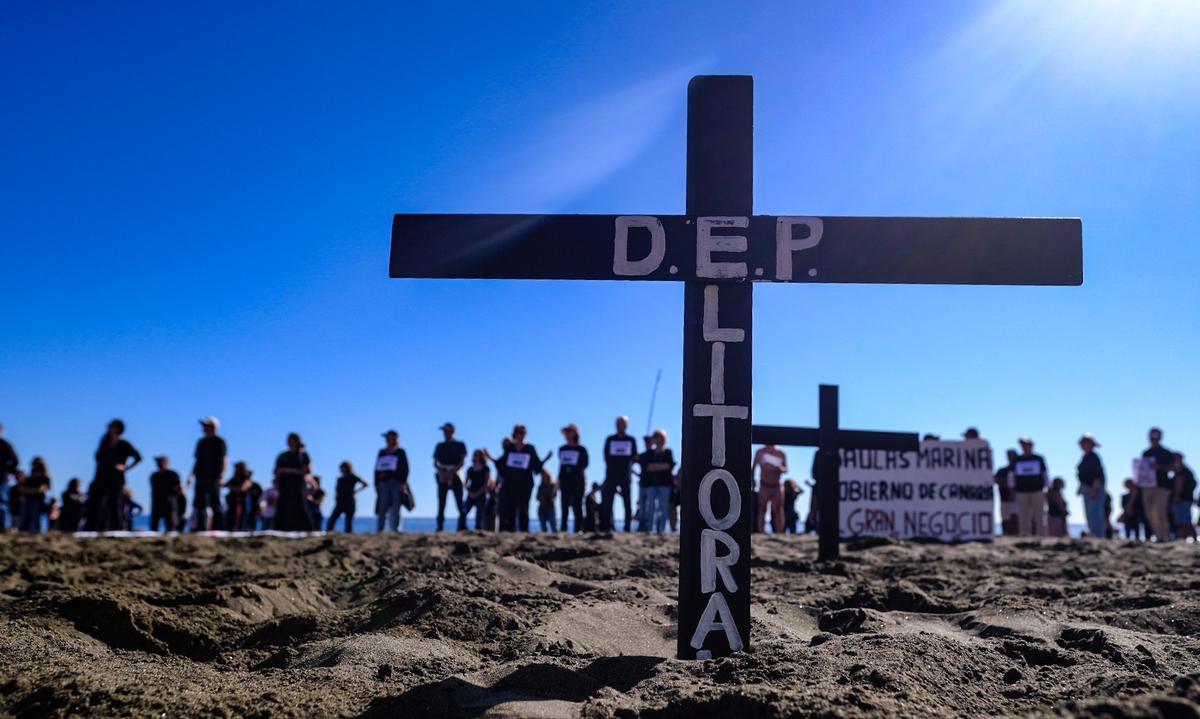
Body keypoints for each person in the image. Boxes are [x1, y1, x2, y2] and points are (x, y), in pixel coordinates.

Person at [485, 425, 543, 532]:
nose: (521, 435)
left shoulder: (530, 448)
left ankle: (524, 531)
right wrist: (490, 457)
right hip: (510, 484)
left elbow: (537, 465)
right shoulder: (510, 448)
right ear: (515, 434)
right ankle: (510, 532)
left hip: (525, 484)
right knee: (510, 508)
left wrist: (543, 463)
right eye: (519, 432)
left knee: (524, 508)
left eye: (523, 432)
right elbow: (501, 464)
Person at [88, 419, 142, 531]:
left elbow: (138, 457)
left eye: (111, 426)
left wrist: (126, 468)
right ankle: (96, 528)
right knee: (98, 503)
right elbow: (98, 458)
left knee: (115, 504)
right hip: (101, 478)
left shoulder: (124, 444)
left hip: (116, 479)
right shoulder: (105, 442)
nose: (108, 427)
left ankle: (116, 529)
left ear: (117, 428)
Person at [189, 417, 227, 531]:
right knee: (199, 503)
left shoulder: (219, 441)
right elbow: (197, 461)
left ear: (213, 427)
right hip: (200, 477)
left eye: (206, 426)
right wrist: (191, 475)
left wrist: (221, 476)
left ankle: (218, 528)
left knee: (215, 503)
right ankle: (200, 528)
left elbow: (223, 459)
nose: (203, 428)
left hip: (213, 477)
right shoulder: (201, 442)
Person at [601, 416, 638, 532]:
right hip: (611, 474)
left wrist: (629, 464)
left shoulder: (631, 439)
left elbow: (635, 456)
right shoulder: (610, 439)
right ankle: (607, 526)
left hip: (625, 475)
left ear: (626, 426)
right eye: (618, 423)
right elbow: (605, 456)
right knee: (608, 501)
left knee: (627, 502)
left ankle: (627, 527)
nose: (620, 426)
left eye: (623, 424)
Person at [636, 429, 675, 533]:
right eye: (656, 437)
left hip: (664, 484)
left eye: (660, 437)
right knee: (650, 508)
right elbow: (647, 467)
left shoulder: (668, 452)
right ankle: (650, 529)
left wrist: (655, 466)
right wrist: (662, 466)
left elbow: (669, 465)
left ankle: (661, 529)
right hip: (651, 484)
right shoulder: (649, 454)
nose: (658, 440)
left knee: (663, 507)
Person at [273, 433, 314, 531]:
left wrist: (293, 471)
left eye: (292, 440)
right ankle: (281, 528)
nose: (290, 442)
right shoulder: (283, 456)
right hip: (284, 485)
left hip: (298, 484)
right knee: (283, 506)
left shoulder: (303, 455)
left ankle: (306, 529)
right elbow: (276, 471)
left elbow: (308, 470)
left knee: (300, 505)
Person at [432, 423, 467, 531]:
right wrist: (442, 472)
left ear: (453, 431)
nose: (445, 433)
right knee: (441, 502)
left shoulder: (460, 445)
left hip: (456, 475)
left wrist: (452, 472)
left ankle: (462, 526)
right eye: (444, 431)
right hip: (442, 475)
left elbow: (462, 462)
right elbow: (435, 463)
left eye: (447, 430)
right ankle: (440, 526)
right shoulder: (440, 446)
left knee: (459, 502)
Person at [1141, 427, 1174, 541]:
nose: (1153, 438)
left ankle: (1163, 536)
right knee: (1149, 512)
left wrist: (1160, 467)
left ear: (1160, 437)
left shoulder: (1166, 453)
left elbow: (1174, 468)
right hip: (1147, 486)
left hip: (1162, 486)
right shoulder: (1146, 453)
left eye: (1155, 435)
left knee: (1160, 511)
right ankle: (1157, 534)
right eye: (1151, 435)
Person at [1012, 437, 1048, 537]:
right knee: (1023, 514)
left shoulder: (1038, 458)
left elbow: (1045, 474)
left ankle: (1041, 534)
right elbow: (1012, 476)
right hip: (1021, 491)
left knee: (1039, 513)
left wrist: (1046, 488)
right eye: (1023, 445)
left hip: (1037, 490)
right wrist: (1012, 489)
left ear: (1031, 446)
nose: (1025, 447)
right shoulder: (1017, 460)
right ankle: (1024, 534)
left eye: (1027, 444)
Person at [375, 430, 409, 532]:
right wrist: (376, 483)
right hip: (383, 482)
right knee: (382, 506)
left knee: (396, 505)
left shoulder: (400, 452)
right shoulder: (382, 452)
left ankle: (395, 528)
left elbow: (405, 468)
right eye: (386, 438)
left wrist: (402, 483)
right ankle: (380, 529)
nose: (387, 439)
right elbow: (376, 469)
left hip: (396, 482)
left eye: (389, 437)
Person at [557, 424, 588, 532]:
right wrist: (558, 482)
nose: (567, 434)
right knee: (564, 506)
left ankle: (578, 529)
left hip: (578, 481)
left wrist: (573, 468)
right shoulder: (562, 449)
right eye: (566, 431)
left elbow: (585, 464)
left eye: (570, 431)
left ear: (575, 433)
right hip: (565, 481)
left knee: (577, 505)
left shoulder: (581, 449)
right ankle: (563, 529)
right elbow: (561, 466)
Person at [1076, 434, 1107, 538]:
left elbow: (1097, 475)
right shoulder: (1085, 457)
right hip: (1086, 488)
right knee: (1089, 514)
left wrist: (1095, 489)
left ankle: (1098, 536)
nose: (1083, 445)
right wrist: (1080, 487)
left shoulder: (1094, 457)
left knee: (1095, 513)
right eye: (1082, 443)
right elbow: (1083, 475)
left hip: (1094, 489)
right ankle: (1094, 534)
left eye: (1085, 443)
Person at [753, 444, 788, 533]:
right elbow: (754, 467)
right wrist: (753, 480)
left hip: (777, 485)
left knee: (778, 509)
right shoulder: (760, 452)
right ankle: (761, 532)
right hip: (764, 485)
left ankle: (780, 532)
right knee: (762, 508)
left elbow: (786, 469)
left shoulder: (781, 453)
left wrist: (779, 468)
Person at [328, 461, 368, 532]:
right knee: (332, 520)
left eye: (342, 468)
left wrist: (355, 491)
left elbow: (365, 484)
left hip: (349, 501)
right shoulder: (340, 479)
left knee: (348, 521)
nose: (341, 469)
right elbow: (337, 491)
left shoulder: (353, 477)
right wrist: (336, 498)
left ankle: (348, 534)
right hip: (340, 502)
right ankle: (329, 533)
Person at [149, 456, 183, 533]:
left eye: (160, 462)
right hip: (157, 503)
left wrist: (180, 505)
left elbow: (180, 490)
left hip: (170, 503)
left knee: (171, 527)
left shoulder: (172, 474)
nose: (158, 464)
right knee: (154, 527)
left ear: (166, 463)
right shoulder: (154, 476)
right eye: (157, 463)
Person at [18, 457, 51, 532]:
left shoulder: (44, 477)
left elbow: (42, 490)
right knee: (24, 517)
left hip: (38, 500)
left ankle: (37, 530)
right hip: (28, 500)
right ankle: (24, 530)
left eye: (37, 465)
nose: (35, 467)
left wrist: (29, 490)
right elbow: (21, 488)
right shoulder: (30, 477)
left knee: (36, 517)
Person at [462, 450, 491, 531]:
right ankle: (463, 528)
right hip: (471, 493)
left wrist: (478, 493)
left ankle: (478, 530)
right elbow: (465, 482)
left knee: (479, 514)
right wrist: (469, 492)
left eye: (479, 455)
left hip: (481, 494)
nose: (477, 457)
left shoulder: (486, 469)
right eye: (475, 455)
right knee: (464, 511)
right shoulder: (470, 469)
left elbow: (486, 483)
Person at [1171, 453, 1196, 542]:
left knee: (1183, 521)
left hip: (1182, 499)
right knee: (1186, 520)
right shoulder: (1186, 470)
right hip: (1187, 498)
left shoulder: (1182, 470)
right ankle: (1189, 539)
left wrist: (1176, 496)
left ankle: (1185, 539)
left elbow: (1179, 484)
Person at [994, 449, 1019, 536]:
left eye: (1012, 455)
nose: (1011, 457)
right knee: (1006, 518)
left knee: (1016, 518)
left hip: (1018, 499)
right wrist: (1009, 483)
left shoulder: (1019, 469)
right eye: (1009, 455)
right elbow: (996, 480)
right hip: (1004, 498)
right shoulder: (1002, 470)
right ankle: (1006, 534)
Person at [224, 462, 253, 530]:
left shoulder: (246, 479)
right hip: (232, 502)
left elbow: (242, 488)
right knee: (231, 518)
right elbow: (225, 485)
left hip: (242, 503)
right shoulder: (234, 479)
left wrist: (232, 487)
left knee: (242, 519)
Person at [0, 422, 18, 531]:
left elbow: (15, 461)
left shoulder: (5, 445)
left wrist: (8, 471)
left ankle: (4, 526)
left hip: (2, 478)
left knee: (3, 502)